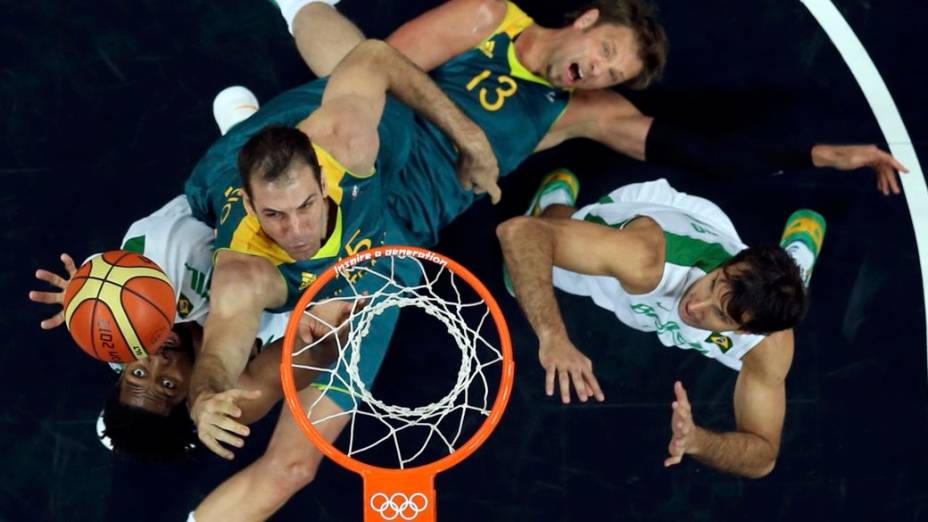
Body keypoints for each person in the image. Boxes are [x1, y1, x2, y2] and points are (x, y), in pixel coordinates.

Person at [284, 0, 907, 195]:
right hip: (356, 148)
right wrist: (466, 135)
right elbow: (376, 73)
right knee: (341, 49)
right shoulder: (488, 16)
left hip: (410, 205)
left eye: (614, 76)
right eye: (606, 52)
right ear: (585, 20)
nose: (599, 72)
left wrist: (818, 155)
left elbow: (702, 150)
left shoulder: (579, 113)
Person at [496, 171, 814, 478]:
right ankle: (554, 201)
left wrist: (698, 441)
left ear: (745, 331)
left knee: (781, 291)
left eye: (721, 314)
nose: (694, 306)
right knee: (539, 258)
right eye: (713, 282)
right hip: (660, 228)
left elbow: (762, 456)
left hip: (735, 282)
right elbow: (519, 233)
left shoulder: (765, 344)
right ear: (730, 264)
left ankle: (794, 265)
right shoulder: (643, 261)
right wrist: (552, 335)